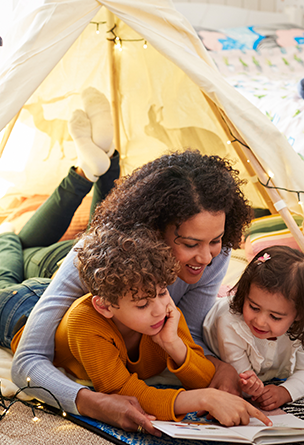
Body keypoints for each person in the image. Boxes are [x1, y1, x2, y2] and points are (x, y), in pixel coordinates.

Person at [11, 123, 256, 432]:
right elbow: (27, 362)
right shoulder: (89, 257)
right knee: (15, 249)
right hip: (36, 286)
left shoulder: (213, 255)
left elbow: (187, 332)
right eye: (190, 244)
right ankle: (83, 174)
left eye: (216, 241)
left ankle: (102, 164)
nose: (207, 258)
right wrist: (91, 402)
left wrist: (217, 366)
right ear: (154, 229)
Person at [11, 224, 269, 427]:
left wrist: (173, 344)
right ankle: (7, 237)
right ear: (105, 306)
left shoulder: (166, 314)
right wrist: (201, 399)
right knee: (6, 265)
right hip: (19, 309)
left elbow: (203, 376)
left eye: (162, 293)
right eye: (142, 304)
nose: (159, 309)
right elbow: (121, 390)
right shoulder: (87, 321)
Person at [0, 87, 119, 350]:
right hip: (62, 264)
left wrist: (7, 235)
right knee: (12, 250)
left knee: (103, 231)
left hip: (88, 257)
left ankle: (100, 164)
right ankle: (88, 170)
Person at [203, 245, 304, 411]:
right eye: (254, 307)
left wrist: (285, 391)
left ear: (299, 314)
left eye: (275, 317)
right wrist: (250, 386)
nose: (260, 322)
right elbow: (241, 380)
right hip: (213, 319)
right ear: (244, 295)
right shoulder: (229, 323)